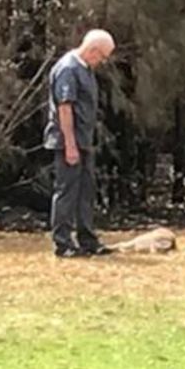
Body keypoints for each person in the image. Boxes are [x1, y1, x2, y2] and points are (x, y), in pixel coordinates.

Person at [43, 29, 116, 258]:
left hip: (84, 140)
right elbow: (65, 109)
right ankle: (62, 243)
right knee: (67, 191)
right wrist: (70, 145)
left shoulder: (85, 69)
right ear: (93, 50)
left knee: (86, 190)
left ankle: (87, 240)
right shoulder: (68, 69)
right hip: (68, 140)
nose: (102, 62)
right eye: (103, 57)